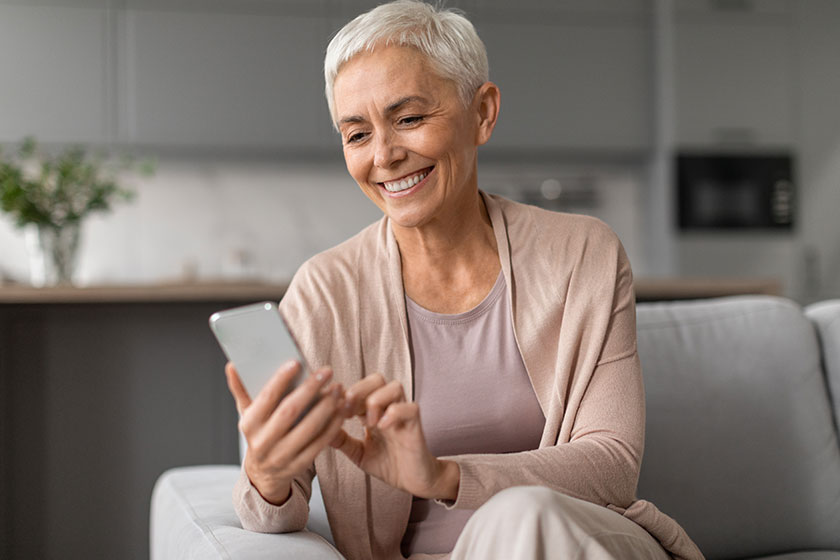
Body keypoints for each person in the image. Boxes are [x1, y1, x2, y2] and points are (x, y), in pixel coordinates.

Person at [225, 1, 703, 559]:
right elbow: (267, 514)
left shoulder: (583, 254)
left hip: (580, 543)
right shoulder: (324, 293)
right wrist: (266, 469)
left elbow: (612, 464)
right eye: (356, 134)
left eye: (408, 119)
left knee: (523, 515)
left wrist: (441, 476)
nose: (384, 155)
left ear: (482, 112)